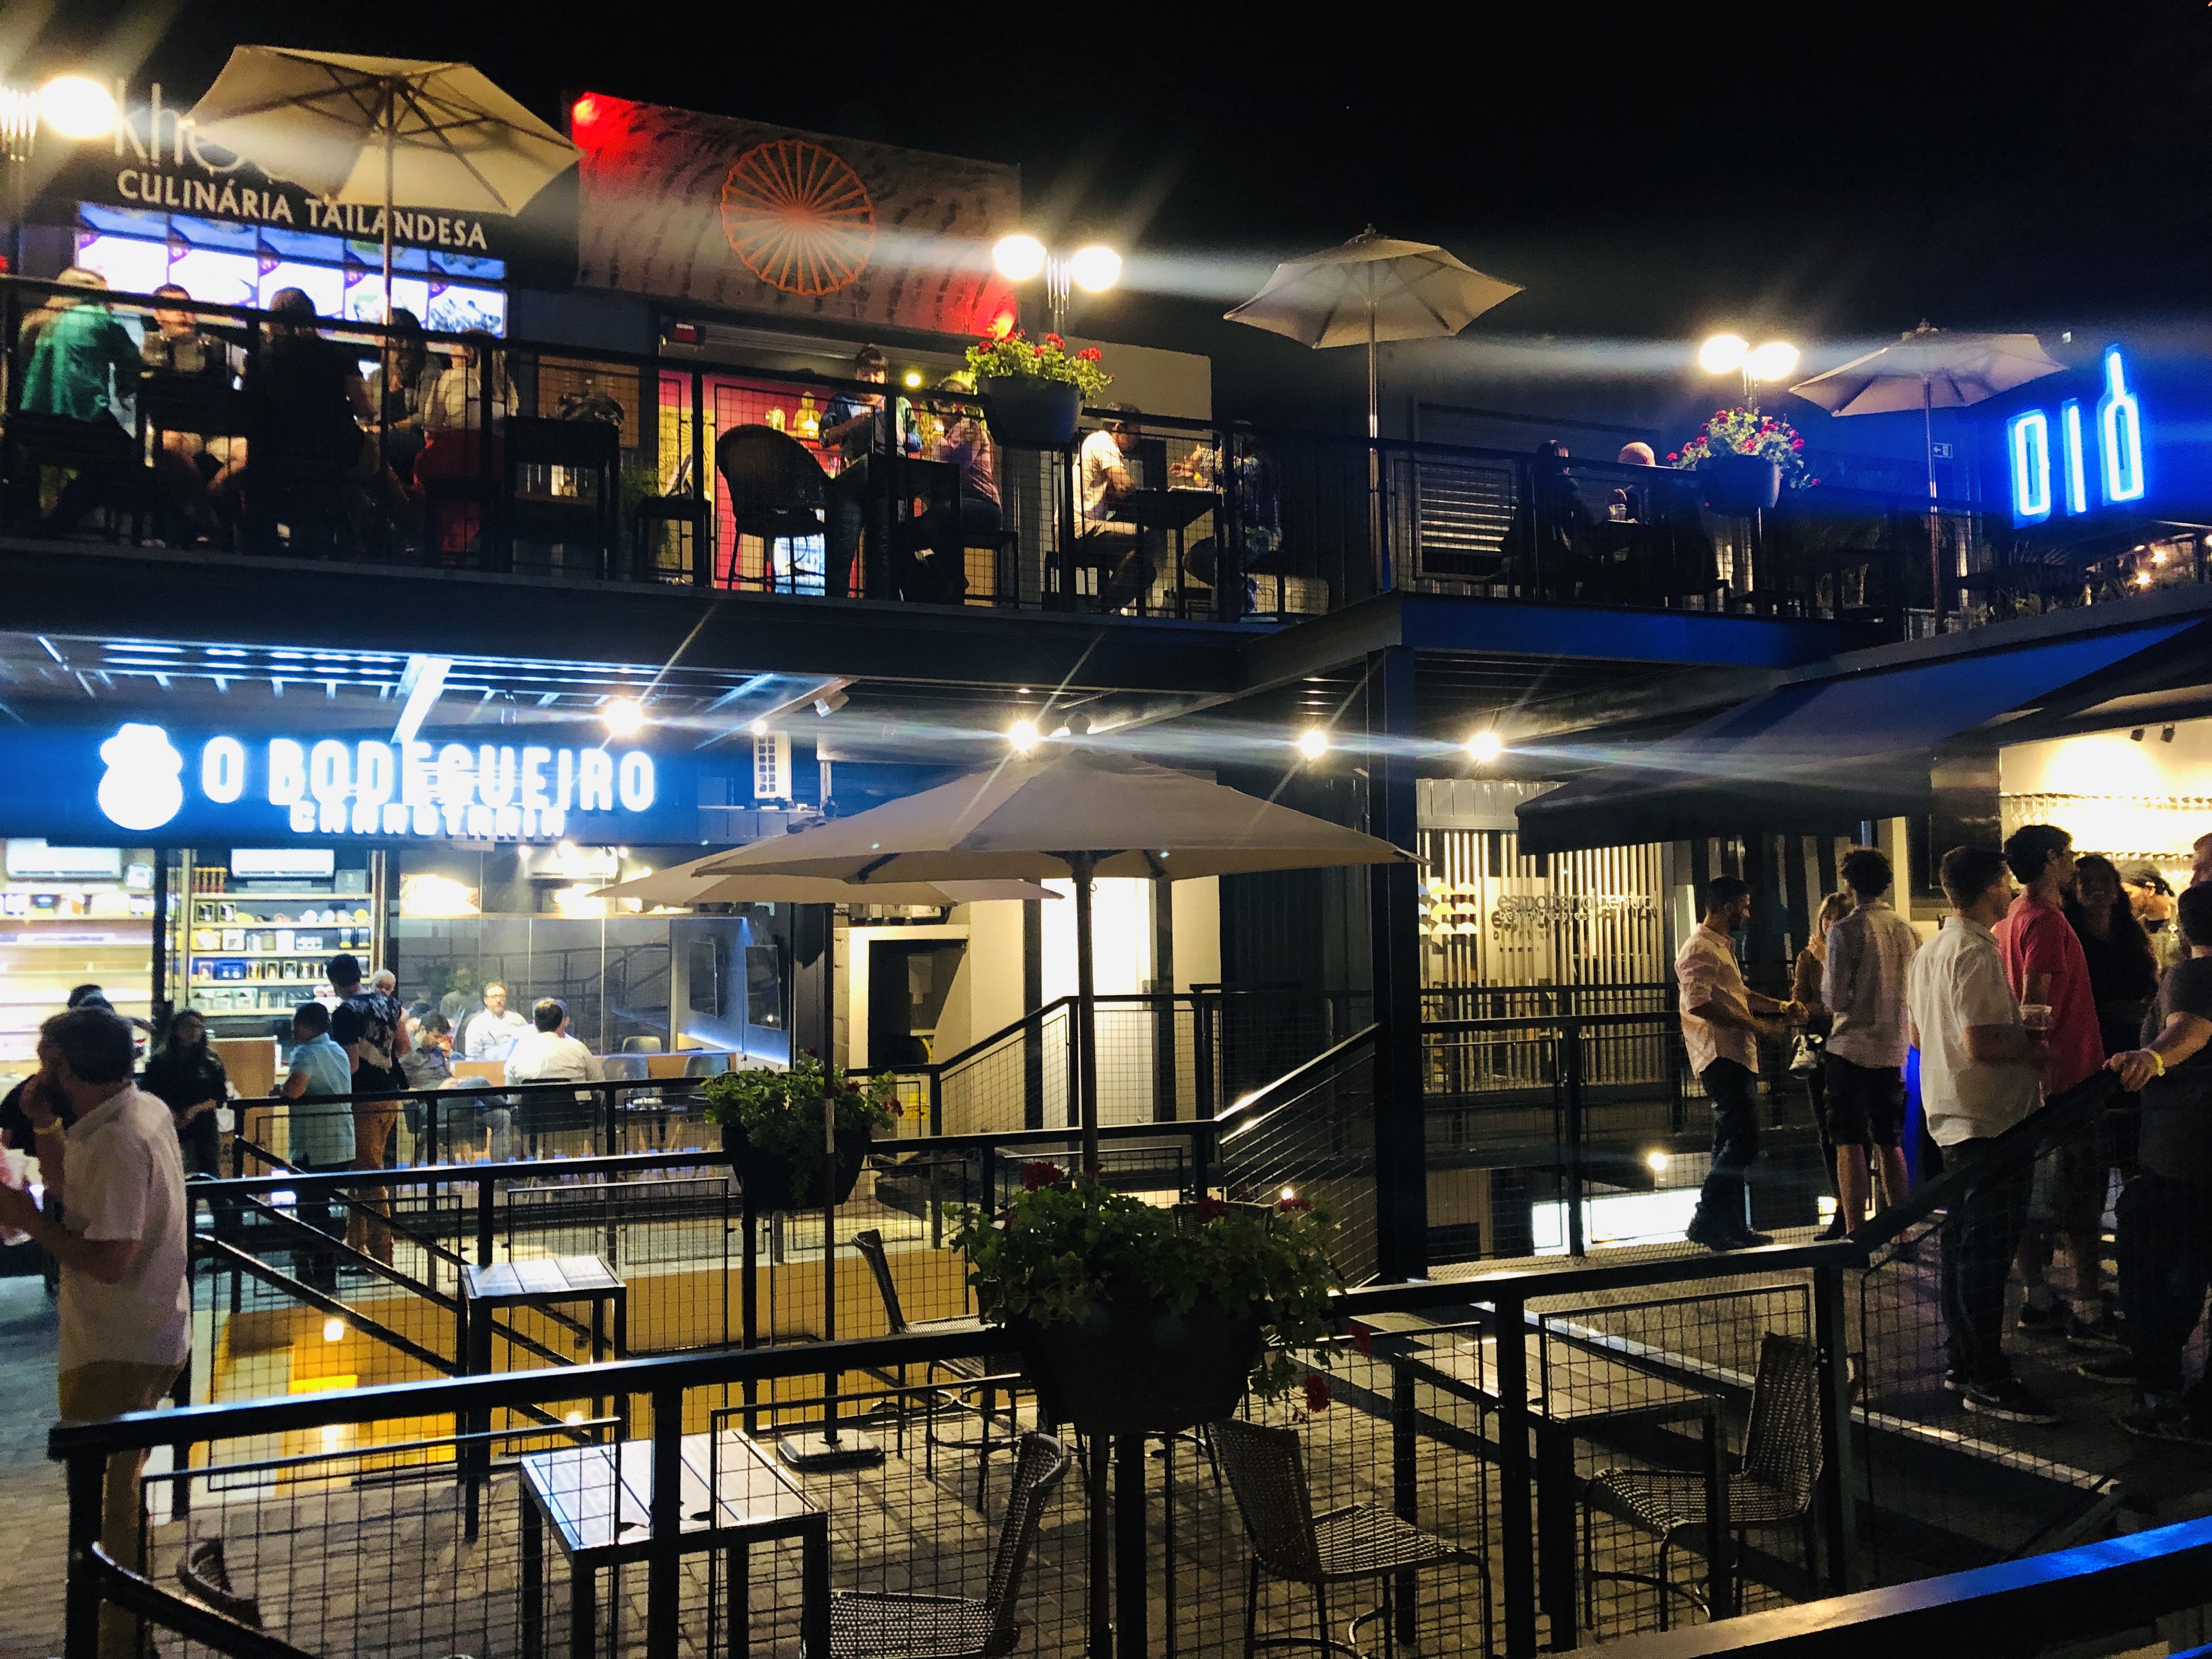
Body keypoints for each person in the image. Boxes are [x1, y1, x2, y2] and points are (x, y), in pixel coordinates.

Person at [0, 1006, 189, 1659]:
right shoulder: (135, 1112)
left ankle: (118, 1640)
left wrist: (27, 1218)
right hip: (144, 1330)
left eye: (45, 1061)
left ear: (66, 1067)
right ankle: (123, 1633)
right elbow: (74, 1189)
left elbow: (109, 1259)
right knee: (118, 1495)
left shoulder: (116, 1140)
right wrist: (46, 1127)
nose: (36, 1073)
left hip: (117, 1344)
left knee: (110, 1505)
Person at [1905, 845, 2057, 1425]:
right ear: (1992, 886)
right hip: (1992, 1117)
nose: (2011, 891)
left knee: (1962, 1244)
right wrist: (2034, 1047)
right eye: (2006, 883)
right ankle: (1988, 1375)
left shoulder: (1930, 951)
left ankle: (1963, 1359)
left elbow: (1919, 1037)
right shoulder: (1976, 953)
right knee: (1987, 1252)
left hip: (1948, 1112)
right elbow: (1983, 1042)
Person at [2097, 883, 2212, 1441]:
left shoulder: (2194, 974)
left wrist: (2151, 1057)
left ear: (2185, 929)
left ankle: (2160, 1394)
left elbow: (2192, 1028)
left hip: (2180, 1154)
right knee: (2188, 1270)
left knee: (2151, 1269)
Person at [1997, 825, 2119, 1348]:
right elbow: (2035, 1000)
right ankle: (2088, 1308)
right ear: (2050, 859)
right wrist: (2042, 1066)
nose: (2073, 863)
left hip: (2041, 1083)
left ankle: (2039, 1297)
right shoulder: (2045, 921)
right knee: (2082, 1200)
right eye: (2067, 855)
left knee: (2034, 1198)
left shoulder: (2012, 917)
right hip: (2068, 1080)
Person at [1676, 875, 1803, 1250]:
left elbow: (1738, 994)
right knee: (1744, 1141)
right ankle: (1706, 1218)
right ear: (1728, 906)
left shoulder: (1716, 946)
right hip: (1720, 1055)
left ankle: (1729, 1227)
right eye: (1745, 906)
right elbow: (1699, 1004)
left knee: (1729, 1142)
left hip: (1731, 1054)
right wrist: (1756, 1025)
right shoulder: (1699, 948)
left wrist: (1779, 1007)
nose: (1748, 914)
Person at [224, 287, 373, 555]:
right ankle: (382, 534)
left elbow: (249, 407)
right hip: (331, 448)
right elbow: (365, 408)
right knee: (370, 462)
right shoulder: (337, 354)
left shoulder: (260, 358)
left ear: (272, 319)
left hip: (273, 451)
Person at [1822, 847, 1921, 1233]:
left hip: (1850, 1049)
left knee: (1849, 1142)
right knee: (1890, 1141)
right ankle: (1902, 1232)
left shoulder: (1844, 931)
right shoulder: (1908, 931)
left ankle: (1856, 1234)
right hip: (1894, 1049)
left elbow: (1835, 1000)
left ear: (1850, 884)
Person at [2069, 854, 2160, 1181]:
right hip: (2091, 1043)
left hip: (2134, 1040)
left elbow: (2150, 982)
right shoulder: (2069, 933)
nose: (2096, 887)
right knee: (2091, 1147)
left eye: (2104, 880)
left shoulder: (2131, 932)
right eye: (2086, 881)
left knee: (2132, 1137)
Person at [330, 953, 404, 1267]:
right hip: (389, 1096)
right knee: (362, 1173)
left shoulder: (345, 1013)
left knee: (369, 1176)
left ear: (334, 983)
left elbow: (351, 1065)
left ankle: (381, 1254)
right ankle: (355, 1246)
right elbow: (404, 1047)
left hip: (363, 1101)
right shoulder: (388, 1003)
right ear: (360, 976)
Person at [281, 1000, 356, 1293]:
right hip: (341, 1142)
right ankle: (325, 1274)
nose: (293, 1032)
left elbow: (295, 1090)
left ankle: (315, 1275)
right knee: (326, 1210)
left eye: (295, 1026)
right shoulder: (337, 1050)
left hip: (313, 1147)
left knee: (311, 1212)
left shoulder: (306, 1053)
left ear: (304, 1027)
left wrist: (280, 1091)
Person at [1793, 890, 1852, 1237]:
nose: (1830, 924)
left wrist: (1827, 961)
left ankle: (1854, 1212)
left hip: (1847, 1045)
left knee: (1852, 1130)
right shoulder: (1808, 956)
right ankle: (1842, 1208)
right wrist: (1812, 1008)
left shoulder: (1849, 953)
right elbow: (1800, 1002)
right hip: (1818, 1045)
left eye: (1837, 918)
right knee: (1826, 1130)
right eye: (1826, 918)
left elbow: (1844, 1002)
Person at [910, 371, 997, 602]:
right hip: (962, 504)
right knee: (941, 525)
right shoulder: (955, 432)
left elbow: (961, 461)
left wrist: (937, 441)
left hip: (984, 506)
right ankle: (950, 580)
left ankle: (949, 579)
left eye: (943, 407)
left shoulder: (970, 427)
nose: (939, 414)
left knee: (932, 522)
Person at [17, 267, 140, 425]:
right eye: (106, 295)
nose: (110, 303)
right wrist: (124, 391)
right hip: (85, 417)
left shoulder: (36, 322)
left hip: (35, 420)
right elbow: (131, 360)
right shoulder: (98, 317)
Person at [822, 345, 891, 599]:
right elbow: (824, 437)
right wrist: (852, 425)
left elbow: (916, 441)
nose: (872, 379)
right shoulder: (841, 401)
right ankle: (836, 607)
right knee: (843, 546)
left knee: (882, 551)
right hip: (850, 485)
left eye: (877, 373)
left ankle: (879, 608)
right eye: (866, 373)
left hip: (885, 484)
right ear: (857, 375)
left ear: (885, 376)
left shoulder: (898, 403)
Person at [504, 997, 605, 1155]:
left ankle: (535, 1161)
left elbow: (512, 1096)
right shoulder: (578, 1048)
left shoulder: (519, 1051)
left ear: (535, 1024)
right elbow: (600, 1084)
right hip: (577, 1120)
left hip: (533, 1122)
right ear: (561, 1022)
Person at [1080, 407, 1157, 611]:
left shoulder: (1097, 442)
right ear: (1119, 428)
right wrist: (1126, 488)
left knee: (1146, 571)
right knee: (1146, 537)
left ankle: (1105, 607)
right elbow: (1124, 484)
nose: (1138, 438)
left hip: (1084, 526)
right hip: (1081, 527)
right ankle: (1101, 607)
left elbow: (1116, 495)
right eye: (1135, 432)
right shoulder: (1104, 441)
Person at [140, 1007, 228, 1178]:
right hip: (166, 1124)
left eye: (198, 1027)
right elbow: (150, 1093)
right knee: (169, 1175)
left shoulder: (211, 1062)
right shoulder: (159, 1062)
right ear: (176, 1029)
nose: (194, 1031)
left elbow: (220, 1097)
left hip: (203, 1127)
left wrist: (195, 1111)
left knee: (209, 1175)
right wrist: (171, 1114)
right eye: (188, 1026)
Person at [464, 980, 529, 1063]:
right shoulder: (477, 1024)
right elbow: (472, 1058)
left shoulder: (518, 1020)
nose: (499, 1000)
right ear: (486, 1000)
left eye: (502, 996)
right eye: (494, 997)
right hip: (489, 1068)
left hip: (517, 1066)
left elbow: (529, 1044)